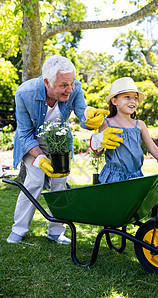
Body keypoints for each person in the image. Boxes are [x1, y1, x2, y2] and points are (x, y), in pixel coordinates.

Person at [7, 54, 109, 245]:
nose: (70, 89)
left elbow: (82, 114)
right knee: (34, 181)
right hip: (32, 143)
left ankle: (56, 232)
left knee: (59, 184)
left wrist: (90, 115)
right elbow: (25, 134)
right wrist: (40, 159)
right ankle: (19, 230)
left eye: (72, 83)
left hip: (59, 143)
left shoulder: (75, 88)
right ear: (47, 82)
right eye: (63, 85)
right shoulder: (24, 93)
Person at [90, 77, 158, 184]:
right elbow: (98, 153)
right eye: (127, 97)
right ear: (114, 101)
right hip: (113, 178)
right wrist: (97, 140)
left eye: (135, 98)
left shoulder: (140, 125)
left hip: (136, 176)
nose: (132, 101)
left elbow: (153, 147)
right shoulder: (106, 123)